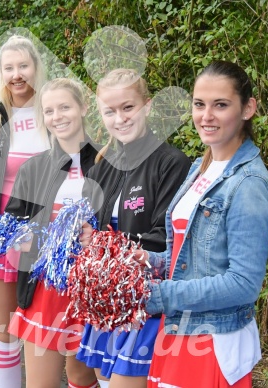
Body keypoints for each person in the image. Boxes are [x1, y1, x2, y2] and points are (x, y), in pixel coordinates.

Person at [137, 61, 268, 387]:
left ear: (248, 108)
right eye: (199, 104)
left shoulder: (249, 184)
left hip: (214, 341)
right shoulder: (201, 167)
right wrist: (148, 261)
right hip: (178, 331)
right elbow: (188, 260)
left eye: (221, 105)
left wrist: (160, 295)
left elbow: (244, 283)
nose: (206, 115)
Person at [75, 69, 191, 388]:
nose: (120, 118)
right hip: (106, 299)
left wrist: (107, 252)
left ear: (147, 106)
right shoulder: (101, 168)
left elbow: (163, 238)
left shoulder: (172, 163)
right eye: (110, 111)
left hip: (144, 301)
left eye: (128, 107)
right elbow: (87, 230)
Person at [5, 78, 100, 388]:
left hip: (90, 289)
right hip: (45, 289)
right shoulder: (33, 168)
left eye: (65, 107)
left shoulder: (107, 163)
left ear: (84, 108)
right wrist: (19, 237)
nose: (57, 116)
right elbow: (14, 225)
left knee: (81, 379)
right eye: (49, 110)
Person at [0, 34, 50, 388]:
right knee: (5, 328)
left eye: (23, 66)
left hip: (48, 238)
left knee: (44, 331)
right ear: (0, 74)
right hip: (0, 237)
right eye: (8, 68)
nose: (17, 75)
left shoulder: (54, 113)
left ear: (36, 69)